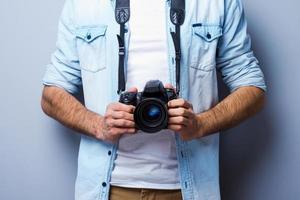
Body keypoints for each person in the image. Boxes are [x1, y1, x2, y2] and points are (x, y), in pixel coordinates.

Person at [41, 0, 266, 199]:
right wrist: (99, 125)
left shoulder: (217, 3)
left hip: (189, 189)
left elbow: (253, 89)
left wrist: (200, 124)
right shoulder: (83, 4)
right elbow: (51, 95)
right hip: (108, 189)